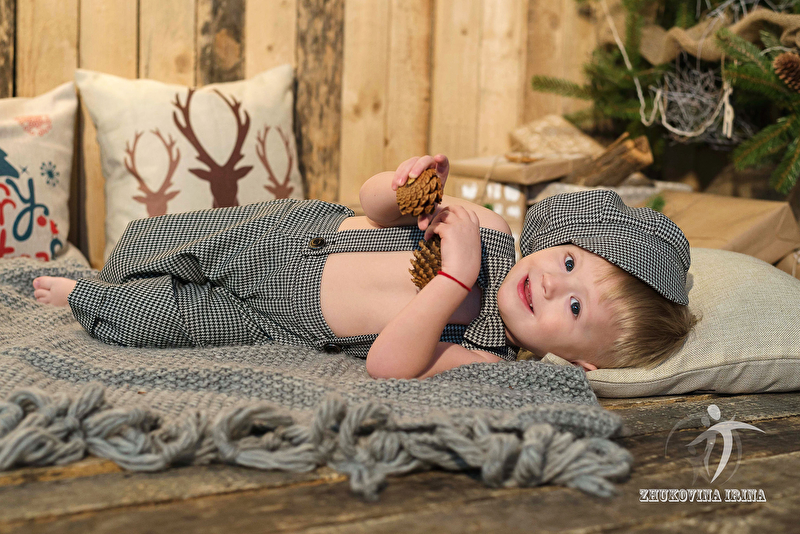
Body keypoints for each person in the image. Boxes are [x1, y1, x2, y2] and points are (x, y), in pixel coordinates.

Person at [33, 154, 696, 379]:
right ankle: (111, 267)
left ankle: (86, 296)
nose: (552, 282)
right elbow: (373, 206)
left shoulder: (483, 352)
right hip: (296, 234)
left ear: (576, 362)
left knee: (161, 317)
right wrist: (400, 184)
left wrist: (453, 281)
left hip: (278, 318)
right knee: (168, 239)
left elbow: (387, 365)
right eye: (571, 261)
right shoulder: (490, 227)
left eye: (574, 307)